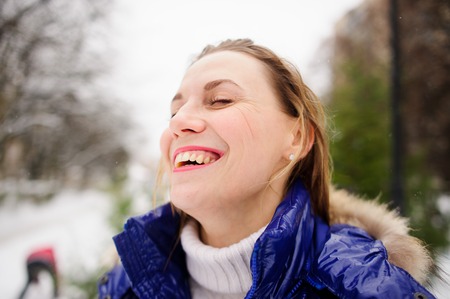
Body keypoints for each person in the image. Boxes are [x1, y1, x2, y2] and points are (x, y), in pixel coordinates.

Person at [98, 39, 436, 298]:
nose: (179, 122)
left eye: (221, 100)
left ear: (297, 137)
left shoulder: (367, 286)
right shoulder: (125, 283)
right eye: (174, 112)